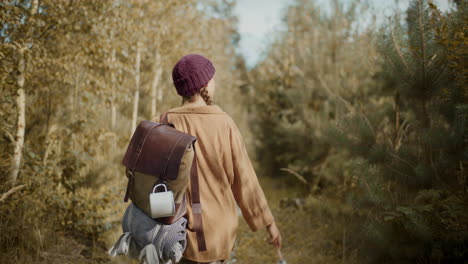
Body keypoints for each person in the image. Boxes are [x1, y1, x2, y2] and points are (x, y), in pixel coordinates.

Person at [158, 54, 282, 264]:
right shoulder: (224, 124)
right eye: (212, 79)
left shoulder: (163, 122)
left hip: (175, 235)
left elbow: (150, 179)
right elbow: (245, 181)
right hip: (218, 236)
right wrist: (268, 223)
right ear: (205, 84)